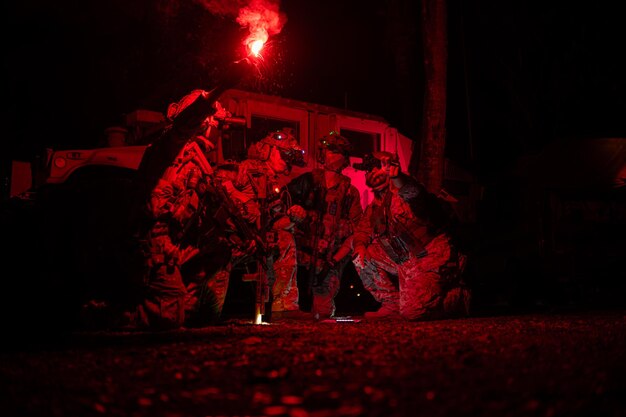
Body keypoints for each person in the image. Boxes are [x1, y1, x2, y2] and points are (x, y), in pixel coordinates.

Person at [123, 60, 254, 330]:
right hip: (154, 241)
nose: (218, 130)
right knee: (169, 310)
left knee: (215, 257)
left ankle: (174, 316)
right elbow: (185, 122)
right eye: (215, 122)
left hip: (178, 242)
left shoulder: (199, 162)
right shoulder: (171, 145)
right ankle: (118, 318)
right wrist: (223, 87)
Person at [351, 151, 471, 321]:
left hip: (429, 257)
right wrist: (360, 246)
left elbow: (416, 195)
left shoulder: (404, 189)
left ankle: (456, 298)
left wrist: (398, 178)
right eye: (368, 170)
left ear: (389, 168)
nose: (372, 172)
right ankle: (392, 304)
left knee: (413, 313)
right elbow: (362, 231)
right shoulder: (374, 207)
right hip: (405, 260)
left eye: (377, 168)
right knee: (359, 255)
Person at [211, 128, 309, 322]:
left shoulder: (274, 181)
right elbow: (218, 180)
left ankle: (285, 307)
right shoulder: (249, 168)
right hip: (232, 239)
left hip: (255, 240)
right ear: (268, 150)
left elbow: (274, 222)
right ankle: (206, 314)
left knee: (285, 239)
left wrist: (294, 216)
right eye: (283, 154)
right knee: (212, 286)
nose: (286, 161)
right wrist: (241, 200)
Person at [286, 131, 363, 320]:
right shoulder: (308, 181)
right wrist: (294, 211)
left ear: (344, 158)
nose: (331, 156)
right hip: (302, 254)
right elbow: (283, 201)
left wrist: (336, 258)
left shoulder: (349, 192)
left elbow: (357, 227)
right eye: (328, 151)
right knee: (291, 308)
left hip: (330, 259)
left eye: (335, 152)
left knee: (322, 311)